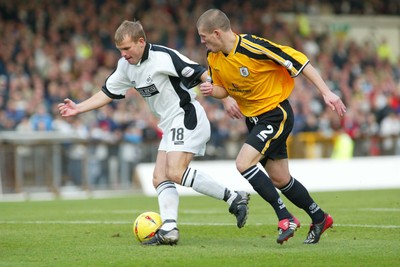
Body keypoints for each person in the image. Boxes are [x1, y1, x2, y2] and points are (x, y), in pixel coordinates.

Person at [58, 20, 250, 246]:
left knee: (175, 171)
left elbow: (201, 73)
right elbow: (107, 92)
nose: (124, 54)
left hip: (186, 115)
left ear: (141, 42)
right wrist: (79, 107)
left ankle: (233, 197)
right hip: (169, 124)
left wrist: (226, 98)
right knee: (160, 178)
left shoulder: (164, 56)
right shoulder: (125, 66)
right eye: (120, 50)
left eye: (127, 49)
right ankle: (169, 229)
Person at [196, 9, 347, 244]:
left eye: (204, 36)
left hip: (275, 114)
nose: (202, 41)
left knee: (243, 163)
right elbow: (223, 88)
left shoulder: (253, 47)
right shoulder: (213, 57)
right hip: (253, 119)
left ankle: (285, 217)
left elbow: (300, 61)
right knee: (280, 179)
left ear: (216, 33)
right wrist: (213, 92)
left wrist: (326, 92)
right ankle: (320, 217)